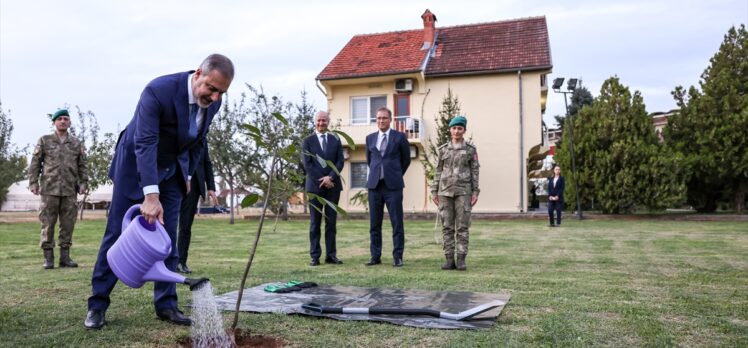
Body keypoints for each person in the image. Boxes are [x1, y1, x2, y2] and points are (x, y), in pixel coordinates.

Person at [84, 54, 234, 329]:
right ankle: (98, 304)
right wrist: (150, 195)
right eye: (211, 89)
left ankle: (166, 305)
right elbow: (145, 142)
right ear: (198, 73)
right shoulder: (159, 90)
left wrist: (187, 174)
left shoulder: (214, 103)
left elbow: (199, 141)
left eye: (221, 92)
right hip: (136, 167)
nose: (215, 97)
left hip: (173, 172)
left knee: (168, 240)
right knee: (117, 234)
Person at [27, 109, 88, 269]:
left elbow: (82, 165)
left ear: (69, 122)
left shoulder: (76, 143)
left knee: (68, 224)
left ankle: (65, 258)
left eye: (65, 119)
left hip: (69, 190)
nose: (62, 121)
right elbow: (35, 163)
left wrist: (83, 183)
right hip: (49, 190)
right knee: (48, 224)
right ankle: (48, 258)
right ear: (54, 122)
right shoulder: (45, 140)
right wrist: (33, 182)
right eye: (59, 119)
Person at [430, 116, 480, 271]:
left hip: (463, 192)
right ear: (450, 130)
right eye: (454, 128)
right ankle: (449, 259)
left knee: (463, 227)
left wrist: (475, 192)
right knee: (447, 227)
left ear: (464, 130)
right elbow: (438, 171)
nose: (456, 131)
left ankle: (461, 259)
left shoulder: (471, 150)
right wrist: (434, 191)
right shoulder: (443, 149)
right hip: (444, 192)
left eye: (460, 128)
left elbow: (475, 171)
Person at [365, 107, 411, 267]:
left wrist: (395, 174)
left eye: (384, 118)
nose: (381, 121)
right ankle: (375, 256)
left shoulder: (400, 137)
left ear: (390, 119)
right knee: (374, 224)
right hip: (374, 186)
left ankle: (398, 256)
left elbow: (406, 160)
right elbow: (370, 161)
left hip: (393, 187)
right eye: (378, 118)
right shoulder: (369, 138)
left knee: (397, 222)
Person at [301, 111, 345, 266]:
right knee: (315, 223)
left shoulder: (335, 139)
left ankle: (331, 255)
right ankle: (315, 256)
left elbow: (340, 161)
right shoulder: (307, 141)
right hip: (315, 187)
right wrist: (323, 180)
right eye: (319, 120)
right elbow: (308, 164)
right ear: (315, 122)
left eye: (324, 120)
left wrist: (330, 177)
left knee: (331, 223)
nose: (321, 123)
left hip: (333, 187)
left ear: (328, 122)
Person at [176, 140, 217, 274]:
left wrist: (211, 187)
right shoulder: (178, 127)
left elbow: (206, 162)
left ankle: (181, 262)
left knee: (185, 226)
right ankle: (162, 260)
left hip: (193, 186)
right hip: (173, 180)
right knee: (165, 224)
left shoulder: (202, 137)